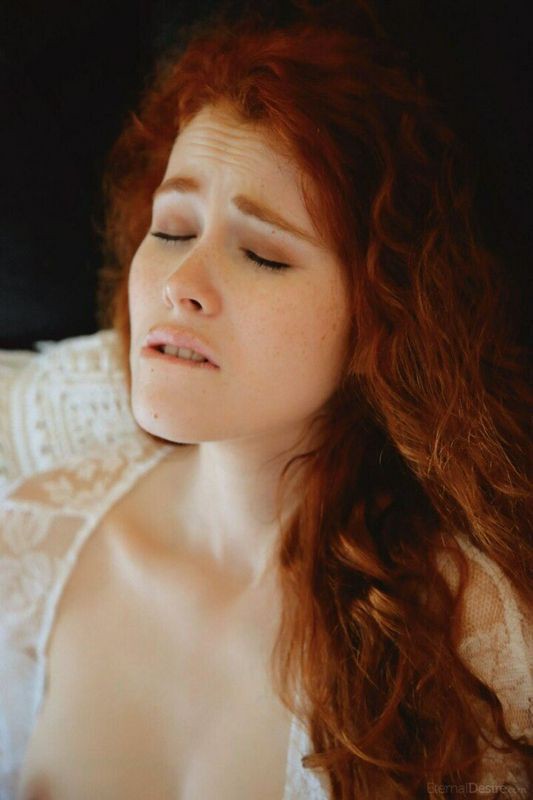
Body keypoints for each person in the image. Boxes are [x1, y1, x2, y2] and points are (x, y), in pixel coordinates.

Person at [1, 2, 531, 798]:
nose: (180, 284)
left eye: (261, 254)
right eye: (171, 230)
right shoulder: (31, 545)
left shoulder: (463, 631)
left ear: (376, 313)